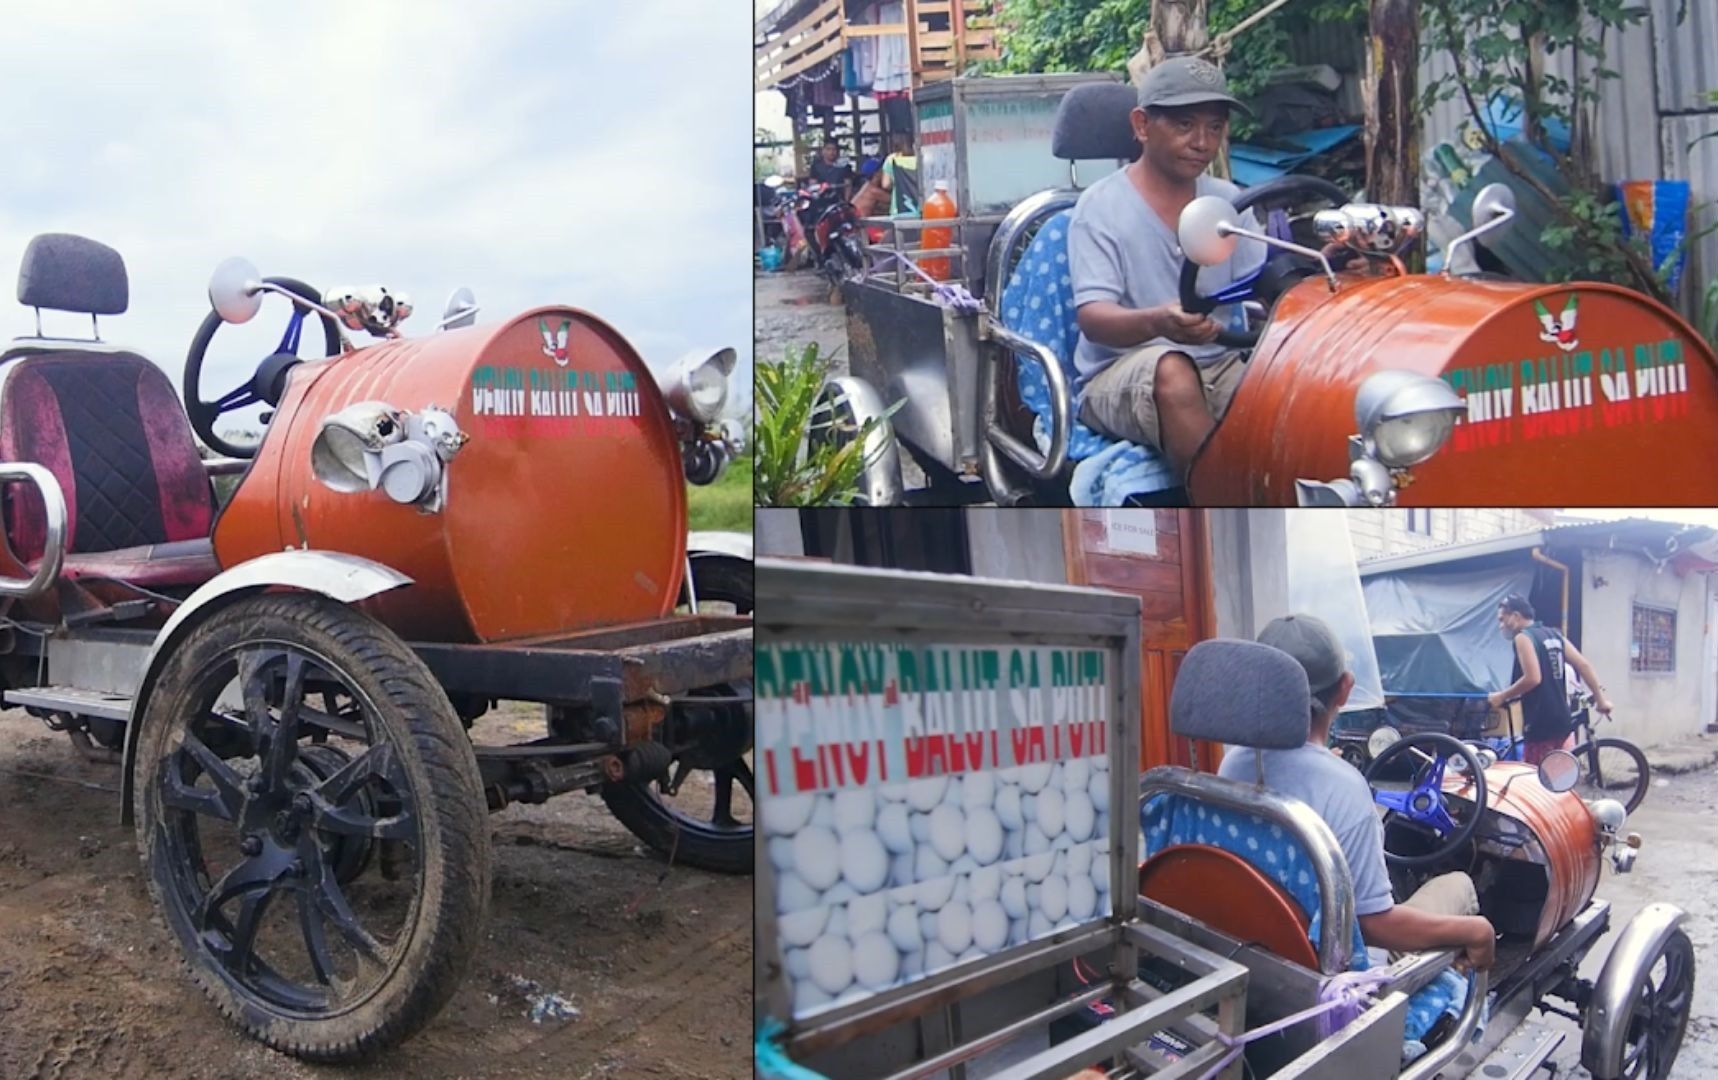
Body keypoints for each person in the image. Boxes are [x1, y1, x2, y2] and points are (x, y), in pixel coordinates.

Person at [1220, 613, 1497, 971]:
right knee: (1460, 885)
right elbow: (1373, 923)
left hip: (1260, 945)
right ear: (1345, 688)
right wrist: (1478, 931)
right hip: (1338, 969)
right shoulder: (1343, 787)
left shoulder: (1235, 761)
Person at [1067, 56, 1270, 477]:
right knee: (1172, 370)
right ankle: (1219, 505)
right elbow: (1093, 319)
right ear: (1142, 126)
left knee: (1296, 387)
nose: (1202, 142)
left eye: (1215, 127)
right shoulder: (1101, 208)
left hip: (1221, 363)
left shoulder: (1229, 203)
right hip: (1121, 373)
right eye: (1184, 125)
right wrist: (1160, 323)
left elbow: (1267, 286)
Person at [1486, 594, 1613, 765]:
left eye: (1502, 619)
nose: (1501, 626)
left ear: (1515, 616)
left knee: (1537, 778)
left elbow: (1533, 678)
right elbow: (1583, 665)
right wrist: (1601, 701)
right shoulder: (1554, 634)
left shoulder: (1523, 637)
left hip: (1541, 720)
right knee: (1559, 775)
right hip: (1562, 719)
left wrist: (1502, 696)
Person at [879, 131, 919, 217]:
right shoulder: (920, 158)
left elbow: (885, 184)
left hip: (899, 208)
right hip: (920, 206)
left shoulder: (892, 159)